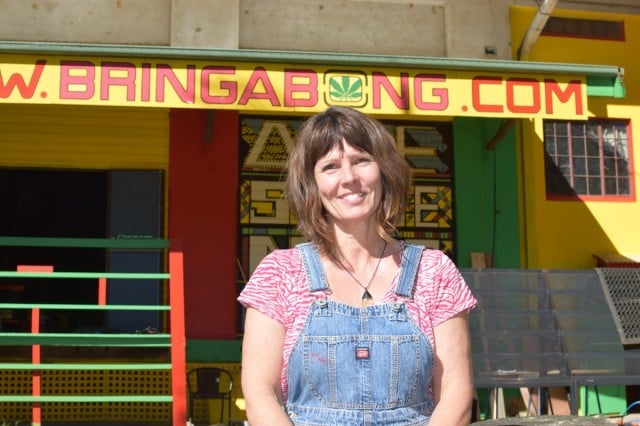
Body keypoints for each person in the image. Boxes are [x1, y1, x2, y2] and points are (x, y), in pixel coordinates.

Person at [238, 106, 477, 425]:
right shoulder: (279, 273)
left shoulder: (434, 271)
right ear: (312, 183)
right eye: (330, 166)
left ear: (384, 169)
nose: (349, 178)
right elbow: (259, 394)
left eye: (361, 160)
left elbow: (456, 392)